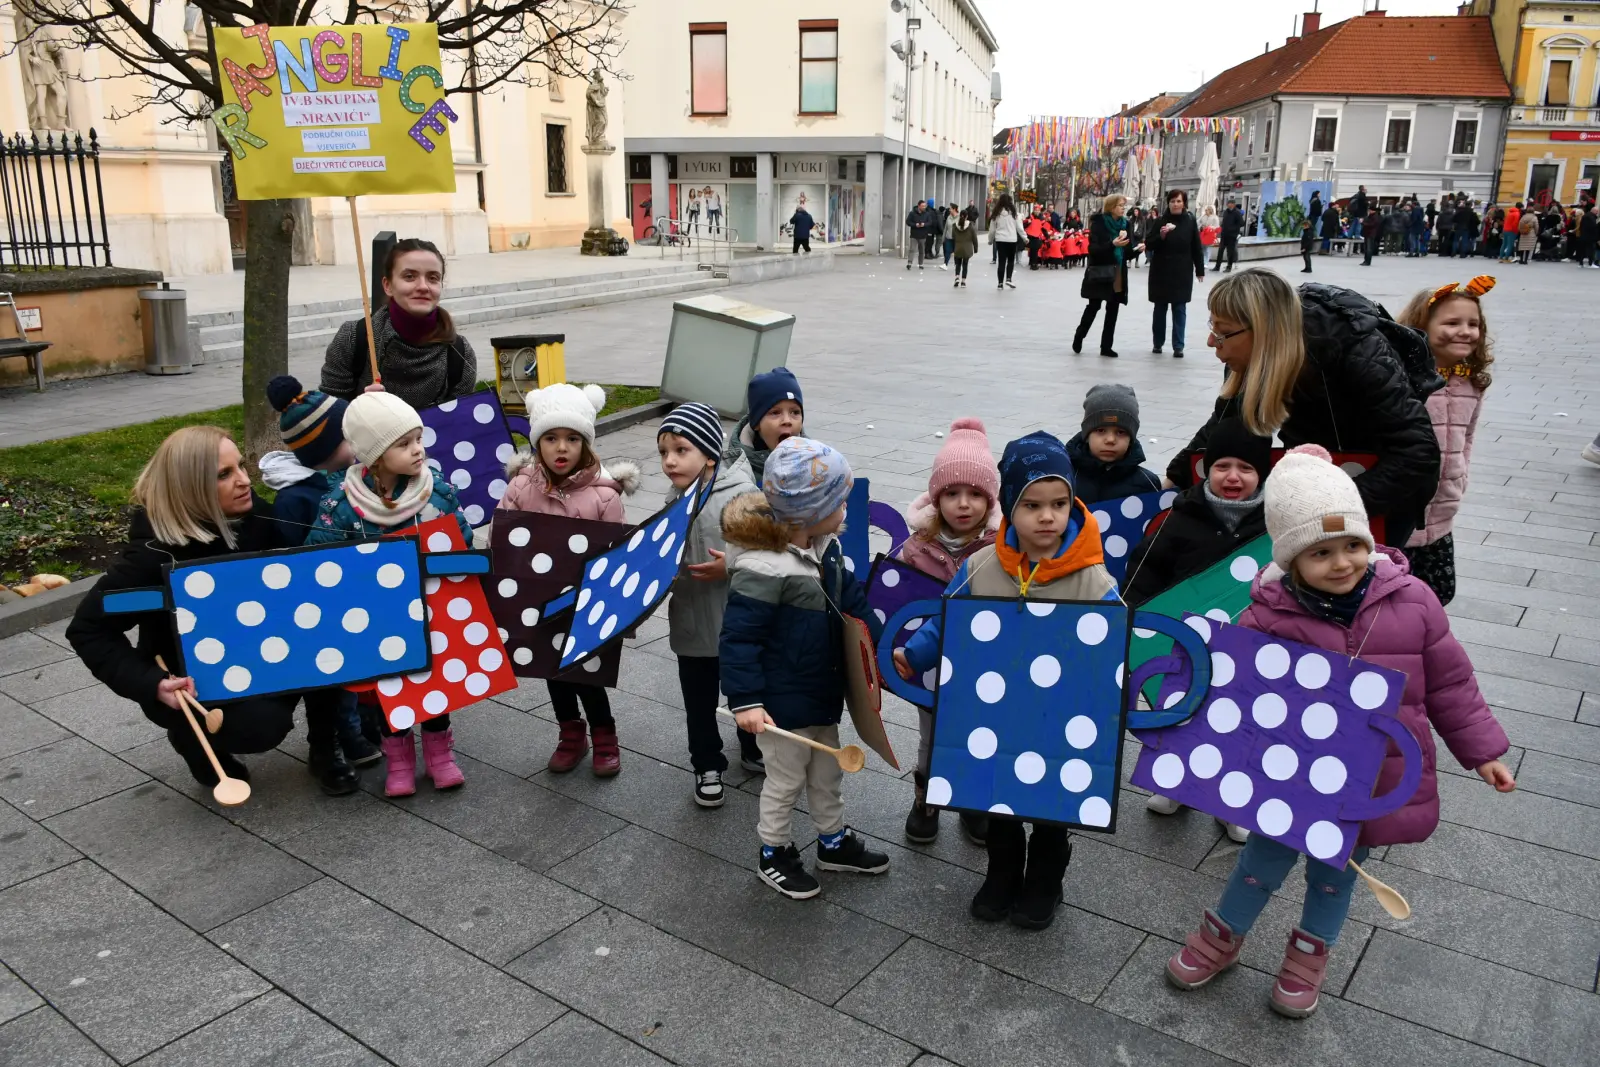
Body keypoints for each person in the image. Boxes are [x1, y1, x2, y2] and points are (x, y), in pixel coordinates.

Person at [1165, 445, 1515, 1019]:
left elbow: (1452, 683)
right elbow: (1236, 695)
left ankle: (1309, 954)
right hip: (1292, 776)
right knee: (1261, 859)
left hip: (1374, 780)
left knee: (1336, 874)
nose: (1343, 561)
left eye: (1353, 544)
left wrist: (1484, 751)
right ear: (1291, 557)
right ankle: (1223, 934)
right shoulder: (1267, 617)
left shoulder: (1414, 601)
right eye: (1320, 551)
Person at [896, 431, 1118, 930]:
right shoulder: (982, 567)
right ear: (1010, 508)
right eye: (1032, 504)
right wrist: (915, 653)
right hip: (994, 713)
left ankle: (1044, 882)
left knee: (1051, 809)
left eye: (1059, 503)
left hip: (1056, 720)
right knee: (999, 798)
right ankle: (1000, 876)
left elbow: (1109, 650)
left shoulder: (1094, 579)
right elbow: (946, 618)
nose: (1047, 516)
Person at [64, 427, 352, 792]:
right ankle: (192, 740)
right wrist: (153, 684)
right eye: (224, 474)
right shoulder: (150, 557)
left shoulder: (255, 518)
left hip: (263, 650)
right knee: (261, 728)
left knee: (324, 635)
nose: (245, 481)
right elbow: (88, 630)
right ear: (189, 487)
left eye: (242, 467)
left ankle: (326, 749)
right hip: (191, 679)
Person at [1166, 268, 1442, 550]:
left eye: (1223, 332)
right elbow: (1226, 423)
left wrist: (1334, 507)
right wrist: (1172, 479)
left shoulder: (1356, 349)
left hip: (1383, 491)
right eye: (1213, 328)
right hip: (1317, 478)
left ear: (1264, 331)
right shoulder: (1252, 356)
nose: (1212, 341)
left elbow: (1418, 452)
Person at [722, 437, 889, 899]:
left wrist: (878, 646)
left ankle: (832, 842)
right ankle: (773, 852)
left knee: (828, 773)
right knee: (785, 780)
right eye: (839, 503)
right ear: (807, 512)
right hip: (780, 706)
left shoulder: (825, 548)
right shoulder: (763, 568)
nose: (846, 513)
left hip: (820, 694)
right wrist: (747, 701)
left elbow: (852, 606)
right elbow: (740, 639)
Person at [306, 391, 472, 796]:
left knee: (434, 683)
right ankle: (398, 760)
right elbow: (318, 556)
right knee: (387, 690)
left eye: (418, 438)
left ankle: (440, 754)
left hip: (431, 607)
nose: (418, 450)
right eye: (403, 443)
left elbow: (463, 541)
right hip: (375, 614)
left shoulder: (437, 493)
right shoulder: (342, 504)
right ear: (375, 456)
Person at [1127, 417, 1270, 843]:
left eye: (1246, 468)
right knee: (1179, 710)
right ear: (1206, 469)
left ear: (1262, 474)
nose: (1233, 476)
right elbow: (1145, 569)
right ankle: (1173, 782)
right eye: (1222, 465)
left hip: (1248, 642)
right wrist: (1133, 610)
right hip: (1182, 640)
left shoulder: (1274, 523)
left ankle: (1229, 801)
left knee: (1239, 719)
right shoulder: (1180, 515)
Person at [497, 383, 640, 778]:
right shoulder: (520, 488)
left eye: (572, 438)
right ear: (538, 442)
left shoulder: (603, 497)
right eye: (552, 438)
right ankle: (569, 732)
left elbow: (615, 554)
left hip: (584, 602)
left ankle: (604, 734)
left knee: (586, 671)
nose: (562, 447)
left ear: (586, 444)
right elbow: (504, 537)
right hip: (537, 601)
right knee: (550, 668)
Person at [258, 375, 381, 774]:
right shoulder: (295, 499)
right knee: (332, 675)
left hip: (358, 586)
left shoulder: (345, 473)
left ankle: (359, 726)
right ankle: (332, 739)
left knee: (360, 665)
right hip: (323, 598)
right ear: (325, 448)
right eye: (348, 435)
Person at [896, 418, 1000, 845]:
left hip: (984, 666)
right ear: (936, 498)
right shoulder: (916, 547)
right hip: (930, 666)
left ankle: (973, 800)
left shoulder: (1000, 548)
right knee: (933, 735)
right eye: (952, 493)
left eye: (976, 494)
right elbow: (900, 604)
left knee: (981, 732)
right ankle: (927, 797)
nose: (963, 504)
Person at [655, 402, 764, 807]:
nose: (669, 461)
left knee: (747, 693)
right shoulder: (674, 498)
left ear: (709, 453)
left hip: (737, 624)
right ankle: (707, 763)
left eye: (681, 450)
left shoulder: (743, 495)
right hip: (691, 623)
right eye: (664, 451)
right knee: (698, 704)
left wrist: (731, 565)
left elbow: (768, 553)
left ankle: (752, 748)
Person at [1395, 277, 1495, 606]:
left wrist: (1460, 475)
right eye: (1452, 322)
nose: (1465, 331)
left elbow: (1468, 437)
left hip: (1441, 517)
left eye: (1473, 324)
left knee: (1439, 595)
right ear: (1420, 326)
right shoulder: (1401, 379)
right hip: (1400, 520)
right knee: (1392, 603)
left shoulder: (1472, 383)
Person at [320, 238, 478, 411]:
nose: (423, 286)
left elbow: (459, 426)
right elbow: (327, 418)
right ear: (388, 285)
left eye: (433, 278)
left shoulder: (460, 353)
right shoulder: (353, 339)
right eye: (409, 276)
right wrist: (361, 410)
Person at [1064, 384, 1162, 503]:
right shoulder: (1065, 476)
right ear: (1087, 436)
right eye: (1100, 431)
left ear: (1131, 438)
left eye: (1121, 432)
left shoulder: (1147, 482)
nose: (1110, 440)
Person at [1145, 189, 1206, 357]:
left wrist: (1199, 270)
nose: (1175, 204)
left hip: (1182, 271)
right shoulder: (1160, 221)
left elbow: (1196, 247)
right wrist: (1161, 236)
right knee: (1160, 308)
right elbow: (1149, 244)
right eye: (1172, 201)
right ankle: (1158, 343)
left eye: (1179, 201)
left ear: (1184, 203)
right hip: (1161, 271)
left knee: (1179, 308)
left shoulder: (1190, 221)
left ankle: (1178, 345)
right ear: (1168, 203)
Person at [1073, 193, 1134, 357]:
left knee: (1113, 309)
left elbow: (1127, 251)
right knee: (1094, 306)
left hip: (1118, 271)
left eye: (1124, 206)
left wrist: (1136, 250)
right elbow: (1093, 249)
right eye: (1120, 205)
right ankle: (1080, 335)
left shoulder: (1126, 224)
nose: (1123, 208)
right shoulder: (1099, 223)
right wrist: (1112, 244)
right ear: (1111, 207)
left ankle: (1106, 346)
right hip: (1101, 271)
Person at [726, 366, 804, 483]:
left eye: (795, 412)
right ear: (757, 423)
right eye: (775, 413)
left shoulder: (815, 464)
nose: (787, 420)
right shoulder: (733, 472)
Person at [988, 192, 1022, 290]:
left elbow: (992, 230)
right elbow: (1019, 227)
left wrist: (990, 240)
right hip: (1012, 240)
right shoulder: (1014, 214)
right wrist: (1025, 238)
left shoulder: (996, 214)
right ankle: (1008, 278)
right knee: (1011, 260)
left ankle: (1000, 283)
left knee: (1001, 261)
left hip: (1000, 240)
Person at [951, 207, 978, 288]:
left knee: (958, 264)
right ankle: (963, 281)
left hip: (958, 247)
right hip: (967, 248)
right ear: (967, 216)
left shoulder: (955, 226)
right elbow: (974, 238)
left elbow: (953, 237)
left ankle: (957, 278)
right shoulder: (970, 226)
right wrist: (976, 248)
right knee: (965, 264)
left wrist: (953, 248)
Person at [906, 198, 934, 270]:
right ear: (918, 206)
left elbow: (930, 222)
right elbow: (908, 222)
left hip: (923, 235)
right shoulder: (912, 213)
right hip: (914, 234)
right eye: (922, 206)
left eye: (924, 206)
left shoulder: (927, 214)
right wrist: (915, 225)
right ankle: (909, 263)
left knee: (921, 250)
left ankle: (920, 264)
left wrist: (924, 224)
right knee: (912, 249)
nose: (924, 207)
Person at [1218, 200, 1244, 272]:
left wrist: (1233, 228)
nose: (1228, 205)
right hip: (1224, 234)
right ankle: (1217, 266)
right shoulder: (1226, 212)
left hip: (1232, 235)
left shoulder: (1237, 213)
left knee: (1230, 252)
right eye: (1227, 203)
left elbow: (1242, 223)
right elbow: (1224, 221)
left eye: (1229, 204)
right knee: (1220, 250)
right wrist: (1222, 227)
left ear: (1233, 204)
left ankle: (1229, 266)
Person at [1577, 202, 1598, 268]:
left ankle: (1581, 263)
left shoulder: (1585, 216)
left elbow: (1581, 226)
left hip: (1583, 235)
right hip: (1590, 237)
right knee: (1591, 250)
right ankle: (1590, 263)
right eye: (1597, 212)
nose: (1597, 213)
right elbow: (1593, 227)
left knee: (1582, 250)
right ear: (1594, 211)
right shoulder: (1591, 217)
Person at [941, 204, 958, 270]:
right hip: (948, 237)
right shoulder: (949, 217)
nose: (949, 210)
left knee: (956, 252)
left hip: (956, 238)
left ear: (954, 209)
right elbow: (946, 228)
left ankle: (957, 264)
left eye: (950, 208)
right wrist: (943, 237)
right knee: (947, 251)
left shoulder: (959, 217)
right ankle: (945, 264)